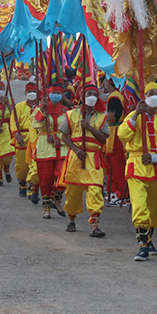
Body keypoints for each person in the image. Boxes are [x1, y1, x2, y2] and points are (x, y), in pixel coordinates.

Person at [117, 82, 157, 262]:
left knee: (155, 210)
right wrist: (136, 114)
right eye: (151, 93)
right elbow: (122, 136)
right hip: (137, 165)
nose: (155, 96)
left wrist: (155, 157)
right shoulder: (133, 116)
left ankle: (148, 237)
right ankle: (142, 245)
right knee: (140, 206)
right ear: (145, 95)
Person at [59, 84, 109, 237]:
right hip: (76, 157)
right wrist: (75, 149)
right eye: (89, 94)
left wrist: (89, 128)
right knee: (73, 193)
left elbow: (104, 138)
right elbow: (64, 136)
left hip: (94, 158)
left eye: (95, 94)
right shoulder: (71, 114)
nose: (92, 96)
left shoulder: (101, 117)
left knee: (95, 190)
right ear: (82, 97)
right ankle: (71, 218)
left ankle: (94, 225)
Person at [33, 83, 69, 219]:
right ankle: (46, 208)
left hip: (62, 147)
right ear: (48, 94)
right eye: (53, 92)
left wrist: (57, 138)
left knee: (63, 176)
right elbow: (35, 124)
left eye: (58, 93)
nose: (56, 95)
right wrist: (42, 110)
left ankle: (57, 200)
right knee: (45, 178)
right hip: (45, 147)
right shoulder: (40, 108)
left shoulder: (66, 111)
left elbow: (69, 129)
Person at [11, 82, 39, 198]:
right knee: (22, 167)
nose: (32, 94)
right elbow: (13, 121)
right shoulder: (19, 106)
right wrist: (17, 135)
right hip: (22, 138)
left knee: (35, 166)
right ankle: (22, 184)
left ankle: (31, 189)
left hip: (36, 140)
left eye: (34, 91)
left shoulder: (41, 106)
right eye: (29, 92)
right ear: (25, 93)